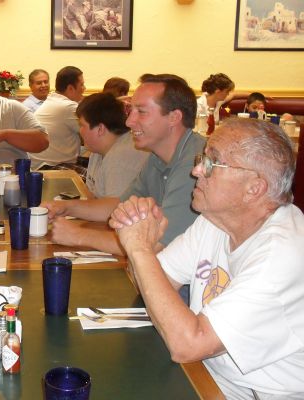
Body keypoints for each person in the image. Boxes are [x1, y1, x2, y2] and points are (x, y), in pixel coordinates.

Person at [109, 118, 304, 399]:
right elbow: (147, 284)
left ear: (254, 188)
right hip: (206, 377)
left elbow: (188, 346)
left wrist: (140, 249)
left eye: (212, 163)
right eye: (202, 159)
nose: (196, 170)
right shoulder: (215, 222)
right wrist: (144, 238)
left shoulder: (282, 256)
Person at [41, 73, 205, 255]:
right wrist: (66, 208)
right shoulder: (157, 156)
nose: (129, 122)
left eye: (141, 112)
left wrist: (78, 235)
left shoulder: (195, 167)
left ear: (174, 117)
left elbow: (156, 246)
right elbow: (119, 205)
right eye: (131, 111)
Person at [78, 92, 149, 198]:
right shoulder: (97, 151)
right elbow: (92, 196)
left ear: (100, 129)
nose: (80, 131)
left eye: (82, 125)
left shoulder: (122, 158)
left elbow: (115, 207)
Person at [29, 66, 85, 168]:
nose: (84, 89)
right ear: (70, 88)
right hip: (51, 167)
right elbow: (93, 132)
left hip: (40, 165)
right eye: (81, 85)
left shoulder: (54, 100)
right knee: (96, 174)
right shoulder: (68, 106)